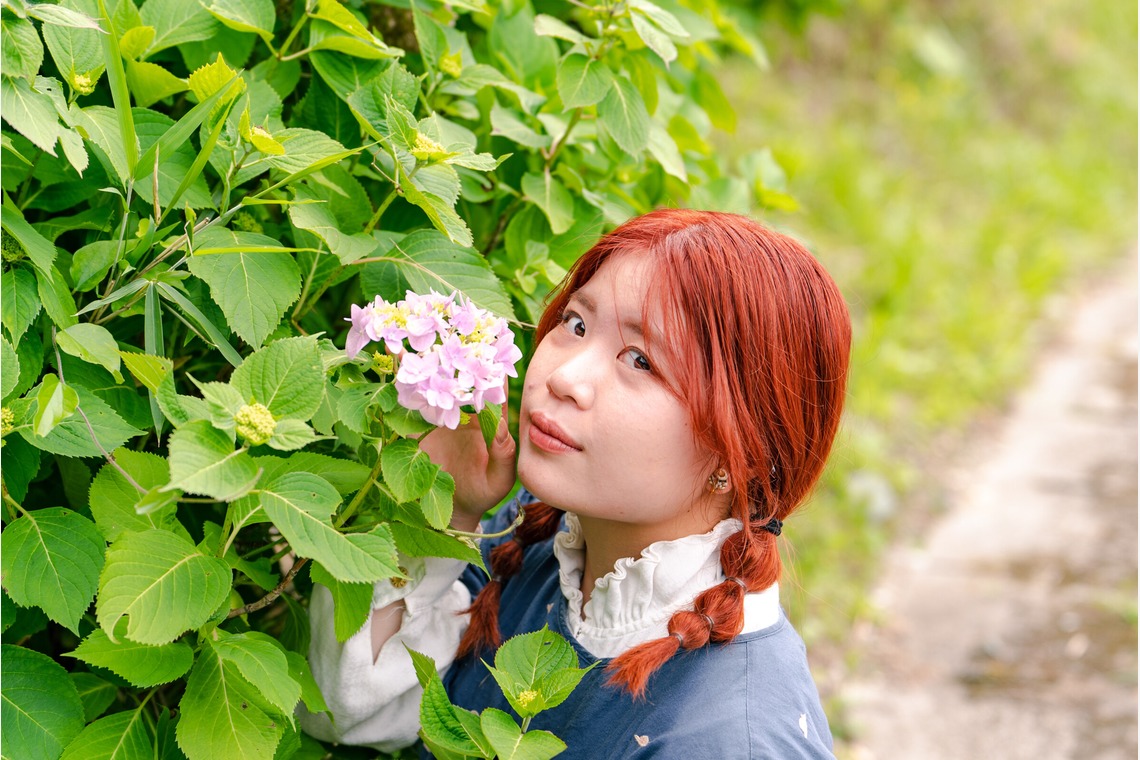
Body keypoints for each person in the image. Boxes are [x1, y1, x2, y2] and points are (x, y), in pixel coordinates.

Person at [299, 209, 852, 758]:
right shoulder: (534, 537)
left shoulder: (732, 741)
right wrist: (444, 514)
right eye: (577, 324)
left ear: (744, 452)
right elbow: (345, 712)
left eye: (640, 361)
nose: (563, 378)